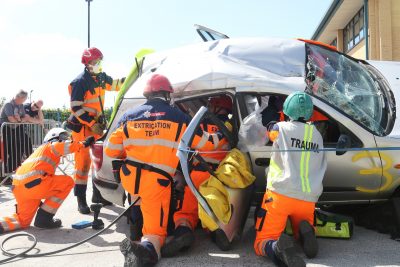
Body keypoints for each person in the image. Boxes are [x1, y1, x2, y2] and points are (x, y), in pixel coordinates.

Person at [105, 74, 224, 266]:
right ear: (167, 95)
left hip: (130, 177)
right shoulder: (179, 117)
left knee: (137, 199)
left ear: (147, 94)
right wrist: (218, 135)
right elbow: (205, 143)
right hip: (156, 182)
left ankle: (135, 235)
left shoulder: (128, 116)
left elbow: (111, 150)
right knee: (155, 232)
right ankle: (146, 252)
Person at [253, 91, 327, 267]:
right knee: (300, 224)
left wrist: (272, 113)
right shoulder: (316, 134)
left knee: (261, 242)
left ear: (286, 111)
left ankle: (275, 247)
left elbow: (270, 131)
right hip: (308, 199)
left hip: (281, 195)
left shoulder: (281, 128)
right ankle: (304, 236)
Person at [161, 95, 232, 257]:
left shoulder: (199, 124)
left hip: (196, 175)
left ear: (214, 107)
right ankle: (214, 232)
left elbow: (186, 145)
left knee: (186, 213)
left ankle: (183, 234)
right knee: (212, 212)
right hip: (218, 178)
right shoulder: (230, 126)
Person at [0, 128, 95, 234]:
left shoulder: (38, 153)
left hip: (20, 189)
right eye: (63, 138)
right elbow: (65, 146)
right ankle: (44, 218)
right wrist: (84, 143)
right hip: (34, 185)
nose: (65, 140)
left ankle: (1, 225)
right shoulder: (51, 146)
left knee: (22, 221)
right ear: (53, 138)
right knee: (67, 181)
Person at [67, 47, 125, 214]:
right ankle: (81, 200)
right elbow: (75, 108)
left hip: (96, 127)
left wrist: (134, 76)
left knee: (97, 164)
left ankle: (98, 197)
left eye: (99, 61)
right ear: (87, 64)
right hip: (83, 129)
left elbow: (116, 85)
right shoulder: (80, 82)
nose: (98, 64)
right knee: (82, 166)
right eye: (95, 61)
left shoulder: (100, 77)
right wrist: (91, 123)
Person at [0, 90, 29, 175]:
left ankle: (11, 172)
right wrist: (20, 120)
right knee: (6, 152)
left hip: (15, 130)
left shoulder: (21, 105)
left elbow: (25, 118)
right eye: (25, 99)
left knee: (17, 151)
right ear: (20, 97)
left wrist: (19, 119)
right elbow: (11, 119)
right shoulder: (8, 104)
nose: (25, 100)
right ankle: (4, 174)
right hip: (5, 131)